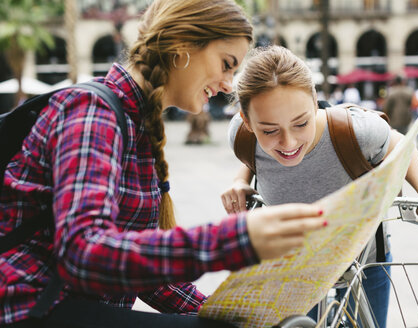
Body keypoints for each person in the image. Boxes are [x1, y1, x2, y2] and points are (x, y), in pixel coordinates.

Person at [0, 2, 327, 328]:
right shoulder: (92, 111)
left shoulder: (137, 125)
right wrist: (236, 238)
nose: (229, 84)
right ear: (183, 46)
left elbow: (145, 276)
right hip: (31, 307)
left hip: (74, 308)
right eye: (227, 64)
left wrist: (228, 310)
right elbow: (84, 253)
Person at [221, 46, 418, 328]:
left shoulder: (356, 131)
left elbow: (399, 144)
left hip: (363, 261)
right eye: (269, 130)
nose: (288, 143)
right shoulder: (240, 137)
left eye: (301, 123)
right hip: (294, 265)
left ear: (315, 102)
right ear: (247, 121)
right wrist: (240, 181)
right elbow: (255, 155)